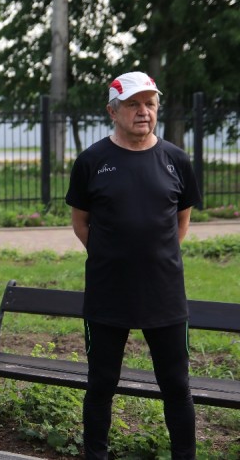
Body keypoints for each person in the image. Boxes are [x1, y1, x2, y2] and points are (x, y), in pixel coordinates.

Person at [65, 71, 201, 459]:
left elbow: (181, 221)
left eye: (150, 104)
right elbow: (81, 223)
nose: (144, 111)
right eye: (133, 104)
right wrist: (113, 256)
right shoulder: (92, 161)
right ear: (113, 111)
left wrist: (153, 257)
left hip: (164, 294)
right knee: (101, 383)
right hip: (108, 293)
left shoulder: (176, 160)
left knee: (176, 385)